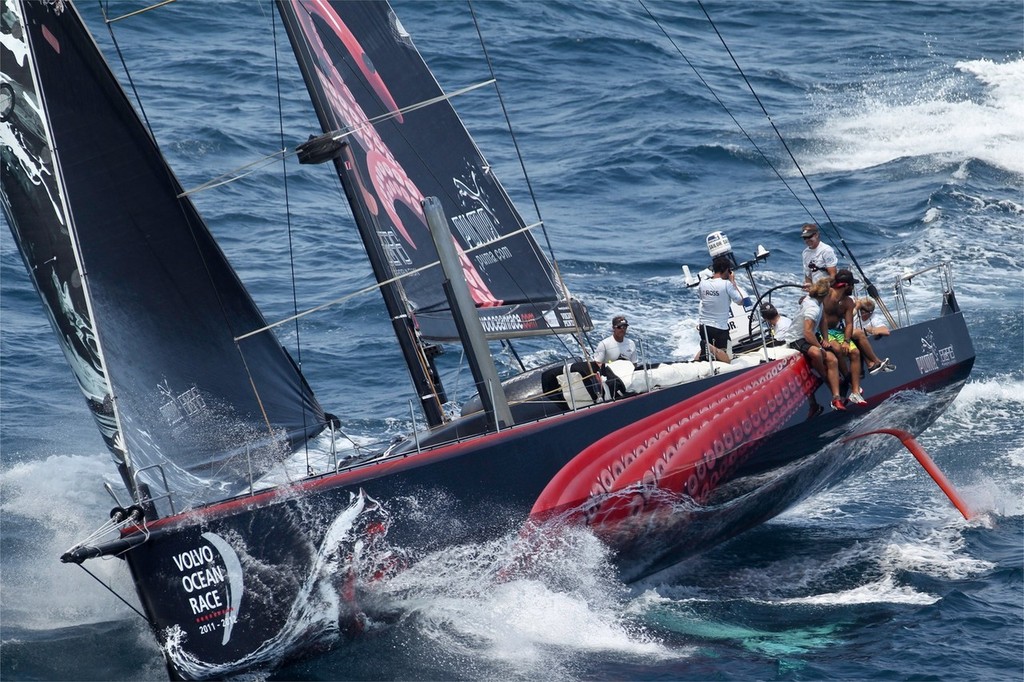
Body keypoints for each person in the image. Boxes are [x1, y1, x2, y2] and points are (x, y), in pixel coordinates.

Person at [823, 270, 894, 405]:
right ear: (846, 285)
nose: (853, 288)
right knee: (837, 348)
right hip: (823, 331)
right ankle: (868, 366)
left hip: (837, 331)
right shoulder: (826, 295)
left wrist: (846, 341)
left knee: (854, 352)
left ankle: (855, 393)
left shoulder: (848, 302)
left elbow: (849, 323)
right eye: (852, 285)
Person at [777, 279, 845, 411]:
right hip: (797, 338)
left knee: (832, 359)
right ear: (824, 295)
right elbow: (807, 333)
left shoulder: (817, 301)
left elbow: (823, 320)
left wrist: (825, 339)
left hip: (809, 336)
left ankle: (836, 397)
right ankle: (822, 376)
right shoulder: (812, 308)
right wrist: (820, 348)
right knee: (816, 352)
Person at [697, 256, 745, 363]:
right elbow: (741, 301)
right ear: (725, 270)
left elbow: (701, 297)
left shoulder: (703, 283)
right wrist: (733, 283)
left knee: (706, 355)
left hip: (704, 326)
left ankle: (703, 351)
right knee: (727, 359)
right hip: (720, 328)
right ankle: (708, 347)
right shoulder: (727, 284)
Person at [801, 223, 838, 288]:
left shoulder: (826, 250)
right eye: (805, 238)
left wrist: (819, 286)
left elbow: (833, 276)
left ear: (816, 235)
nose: (807, 240)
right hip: (815, 290)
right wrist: (809, 287)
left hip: (828, 288)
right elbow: (807, 275)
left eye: (809, 237)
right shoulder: (805, 253)